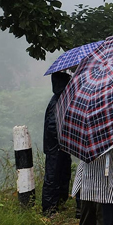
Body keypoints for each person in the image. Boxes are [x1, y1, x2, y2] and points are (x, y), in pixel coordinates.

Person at [42, 71, 72, 215]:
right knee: (53, 176)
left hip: (61, 145)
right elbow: (53, 126)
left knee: (63, 173)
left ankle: (59, 202)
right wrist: (61, 142)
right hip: (56, 146)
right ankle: (49, 209)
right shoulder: (57, 101)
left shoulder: (60, 99)